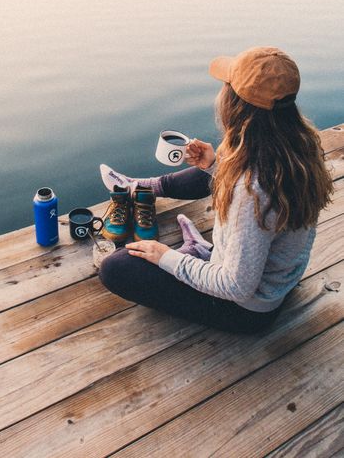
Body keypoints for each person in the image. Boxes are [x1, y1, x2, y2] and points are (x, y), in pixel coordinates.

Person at [98, 46, 334, 334]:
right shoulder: (301, 147)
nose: (221, 93)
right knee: (222, 164)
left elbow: (235, 286)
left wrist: (167, 256)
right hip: (278, 281)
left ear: (237, 105)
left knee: (116, 268)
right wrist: (213, 166)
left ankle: (198, 252)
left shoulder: (253, 189)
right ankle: (141, 189)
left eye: (226, 86)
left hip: (247, 310)